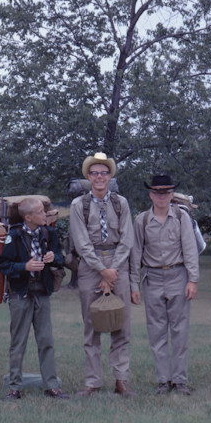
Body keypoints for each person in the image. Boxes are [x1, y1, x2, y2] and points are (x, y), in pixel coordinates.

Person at [69, 152, 137, 397]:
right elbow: (81, 242)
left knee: (121, 324)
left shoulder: (121, 203)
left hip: (118, 264)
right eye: (94, 173)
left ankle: (121, 380)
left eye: (104, 173)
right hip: (91, 266)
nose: (99, 177)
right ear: (88, 177)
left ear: (110, 176)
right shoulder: (79, 205)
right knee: (92, 326)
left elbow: (127, 239)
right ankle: (92, 382)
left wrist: (112, 271)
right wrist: (101, 270)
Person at [130, 174, 199, 395]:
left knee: (180, 331)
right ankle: (163, 380)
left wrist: (193, 280)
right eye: (157, 192)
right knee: (156, 331)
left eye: (166, 192)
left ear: (172, 194)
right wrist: (134, 285)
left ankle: (180, 380)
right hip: (153, 278)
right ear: (151, 194)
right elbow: (136, 253)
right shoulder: (141, 220)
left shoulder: (181, 217)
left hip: (178, 275)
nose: (162, 196)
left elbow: (190, 249)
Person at [0, 197, 69, 400]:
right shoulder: (14, 236)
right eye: (40, 212)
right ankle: (14, 387)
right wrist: (24, 267)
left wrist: (54, 258)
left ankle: (51, 385)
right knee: (18, 342)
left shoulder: (49, 233)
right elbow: (3, 265)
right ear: (28, 217)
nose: (45, 215)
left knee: (46, 340)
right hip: (21, 294)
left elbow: (61, 259)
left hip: (42, 293)